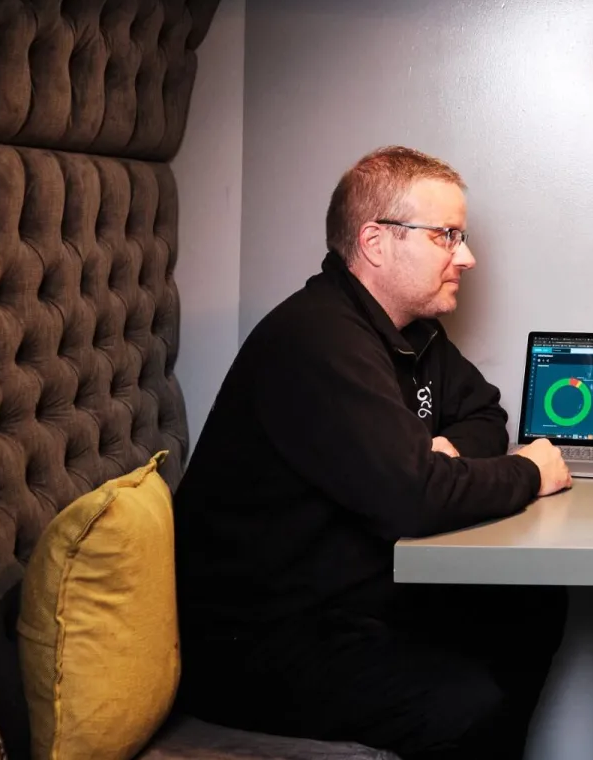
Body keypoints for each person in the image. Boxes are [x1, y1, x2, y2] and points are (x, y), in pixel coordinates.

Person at [174, 146, 572, 759]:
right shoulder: (318, 339)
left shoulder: (411, 335)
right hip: (258, 640)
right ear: (375, 241)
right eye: (447, 236)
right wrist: (529, 470)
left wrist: (443, 456)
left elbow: (484, 413)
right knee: (466, 705)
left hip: (345, 599)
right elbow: (414, 500)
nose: (467, 256)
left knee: (534, 605)